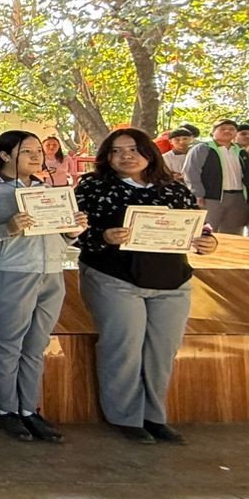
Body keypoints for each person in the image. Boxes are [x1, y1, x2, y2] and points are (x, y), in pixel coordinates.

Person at [75, 127, 217, 442]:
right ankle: (126, 417)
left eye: (133, 150)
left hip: (171, 281)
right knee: (123, 348)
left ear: (149, 153)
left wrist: (207, 242)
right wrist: (103, 236)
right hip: (114, 278)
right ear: (107, 157)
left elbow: (198, 227)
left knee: (161, 351)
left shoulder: (174, 188)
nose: (126, 156)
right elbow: (72, 231)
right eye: (117, 151)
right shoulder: (93, 186)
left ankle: (154, 416)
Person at [0, 130, 86, 442]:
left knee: (35, 346)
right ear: (5, 156)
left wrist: (73, 231)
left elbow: (60, 237)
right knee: (8, 346)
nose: (36, 157)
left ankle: (30, 409)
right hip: (7, 274)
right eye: (27, 151)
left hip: (50, 274)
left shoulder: (46, 190)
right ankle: (7, 411)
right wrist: (7, 228)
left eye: (38, 151)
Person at [183, 120, 249, 235]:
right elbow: (191, 172)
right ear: (213, 132)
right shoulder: (202, 148)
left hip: (238, 197)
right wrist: (198, 193)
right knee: (206, 231)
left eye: (231, 129)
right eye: (222, 129)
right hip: (211, 197)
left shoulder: (241, 151)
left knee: (234, 232)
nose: (227, 131)